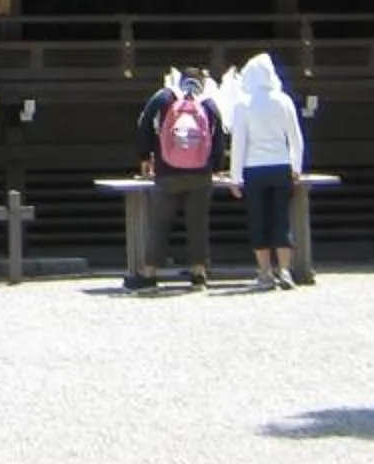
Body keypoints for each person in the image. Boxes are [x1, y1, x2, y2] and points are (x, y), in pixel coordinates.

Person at [131, 67, 220, 288]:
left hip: (167, 171)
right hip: (200, 174)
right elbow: (220, 137)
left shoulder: (164, 97)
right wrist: (215, 166)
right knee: (198, 223)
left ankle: (149, 273)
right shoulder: (208, 103)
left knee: (160, 222)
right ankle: (198, 272)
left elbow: (144, 124)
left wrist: (145, 156)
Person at [225, 50, 307, 289]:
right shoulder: (283, 100)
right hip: (281, 166)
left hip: (254, 168)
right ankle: (285, 270)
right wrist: (296, 166)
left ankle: (264, 272)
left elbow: (238, 142)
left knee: (258, 218)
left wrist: (235, 177)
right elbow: (296, 138)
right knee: (281, 219)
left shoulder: (243, 103)